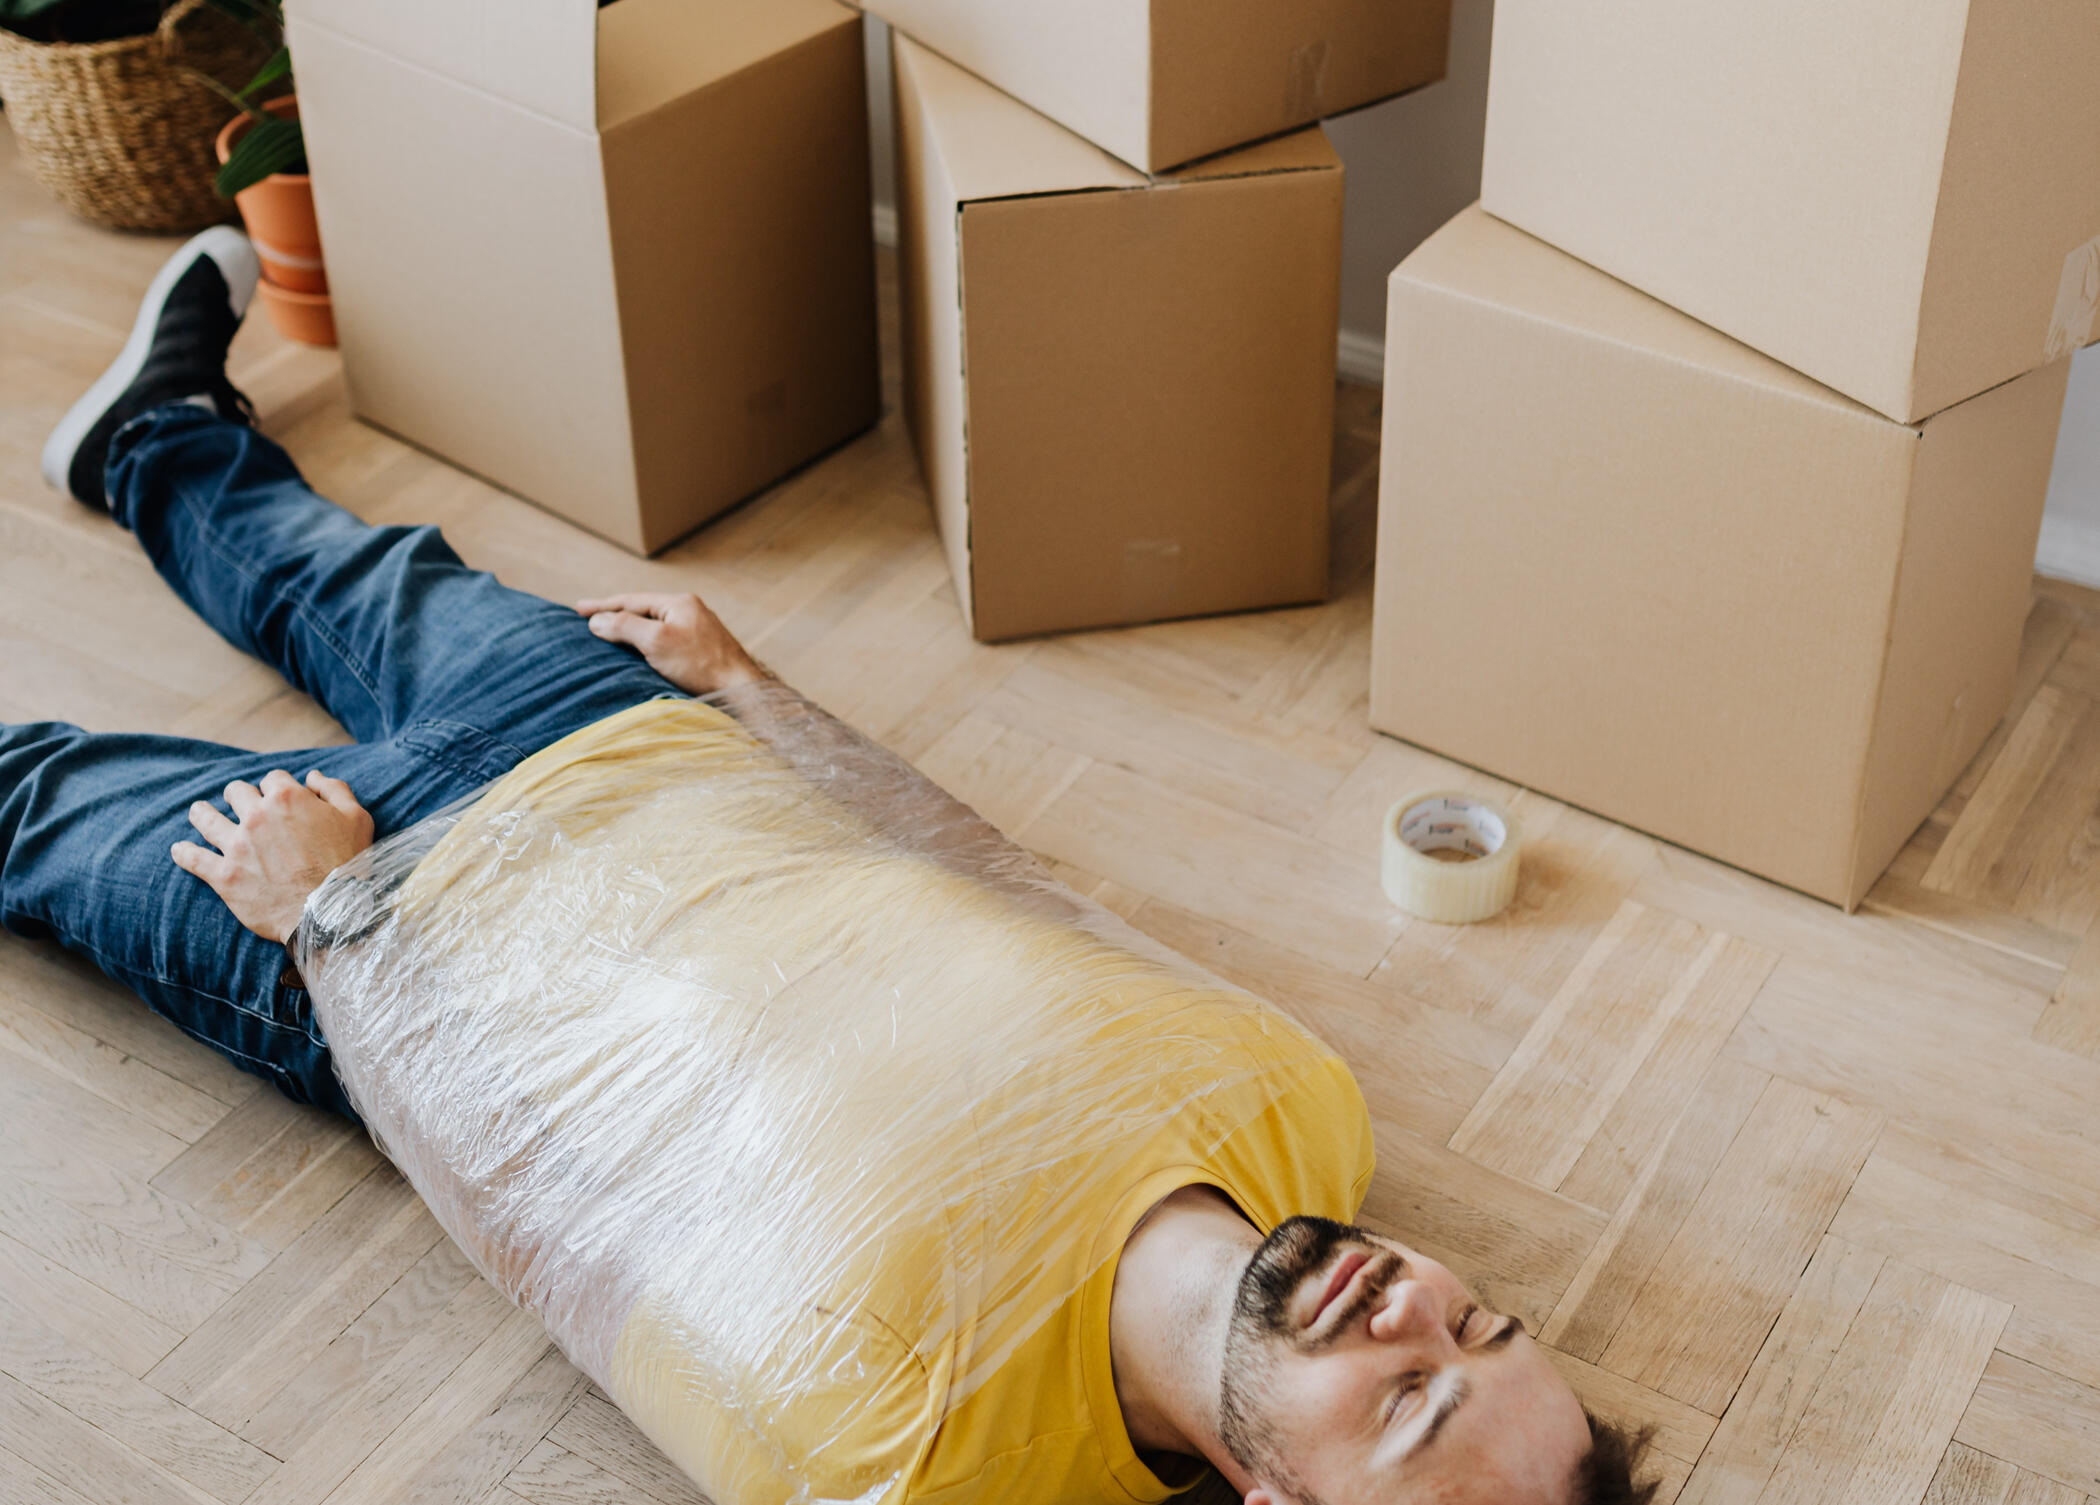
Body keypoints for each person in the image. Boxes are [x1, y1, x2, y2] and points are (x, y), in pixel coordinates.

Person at [7, 230, 1658, 1505]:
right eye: (1479, 1321)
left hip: (395, 933)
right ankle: (155, 440)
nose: (1410, 1304)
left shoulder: (912, 1459)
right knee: (330, 568)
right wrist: (758, 695)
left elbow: (537, 1216)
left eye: (1412, 1397)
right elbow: (1008, 889)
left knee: (31, 804)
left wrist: (336, 918)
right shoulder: (1307, 1106)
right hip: (629, 733)